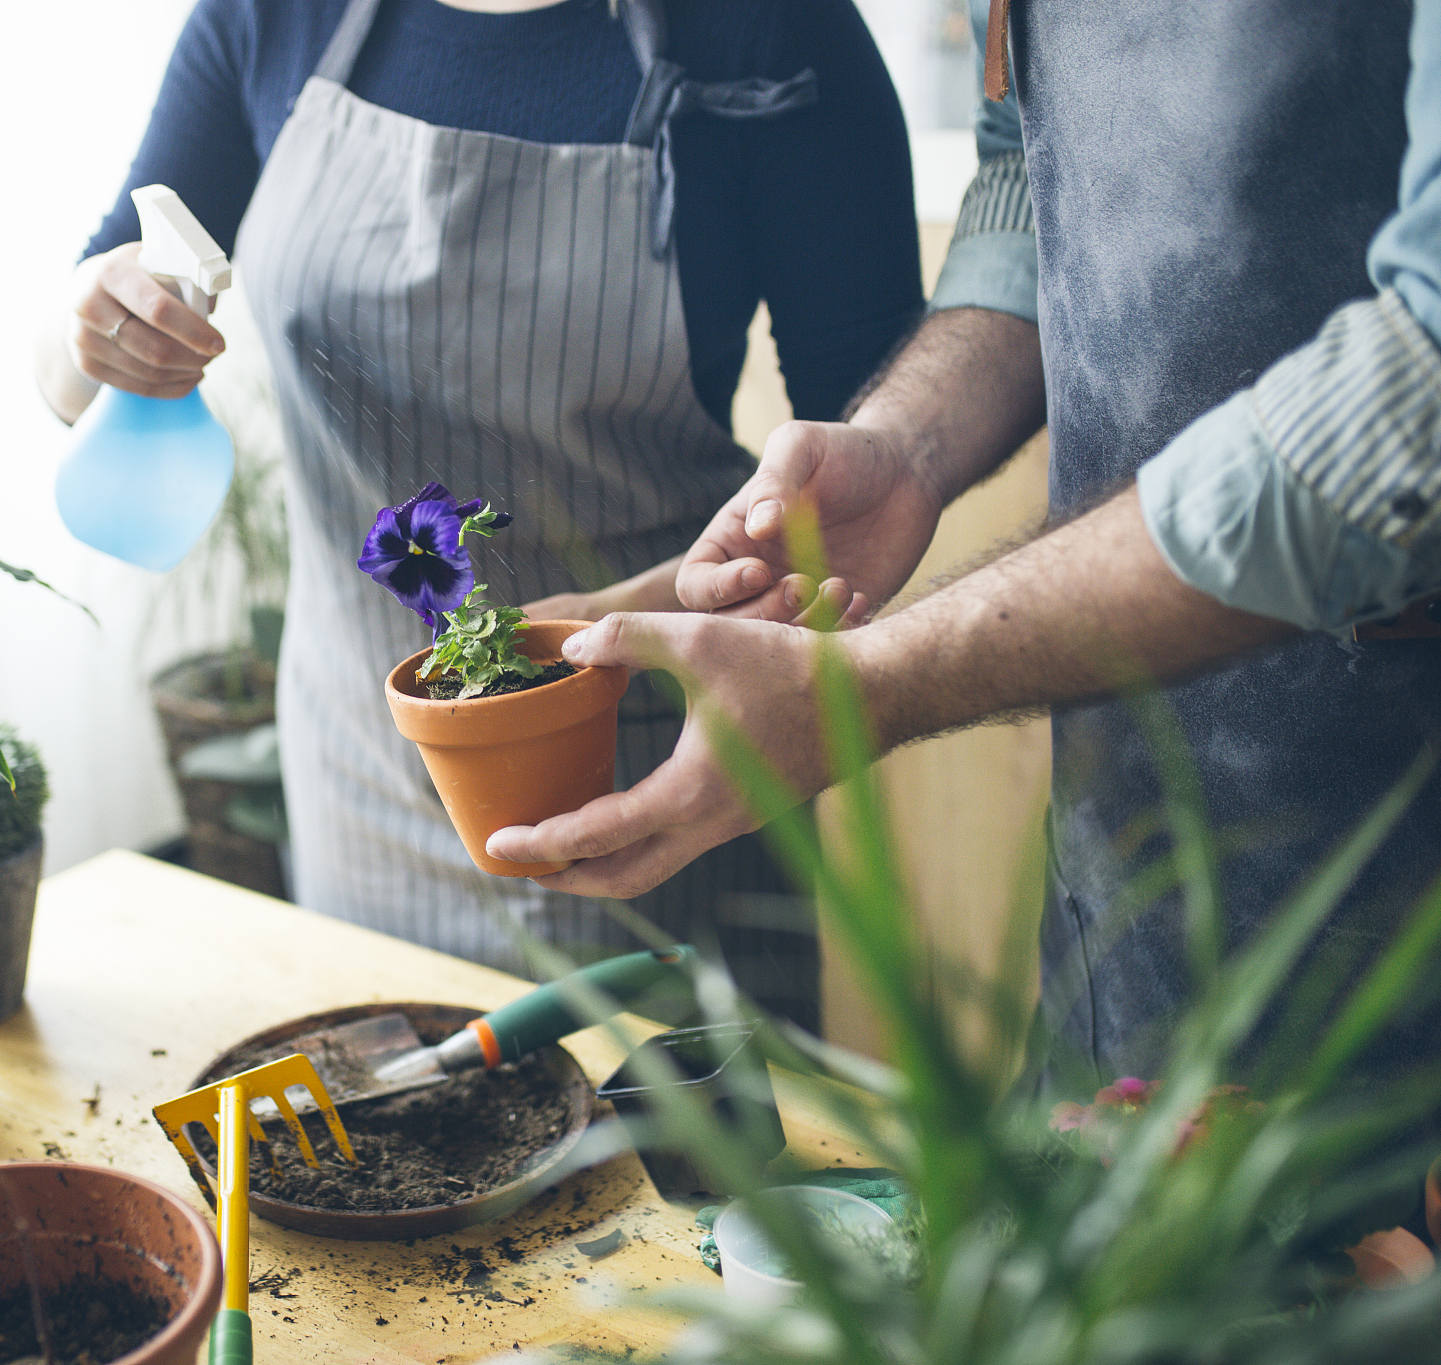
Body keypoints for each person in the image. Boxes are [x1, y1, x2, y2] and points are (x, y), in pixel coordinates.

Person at [489, 0, 1441, 1092]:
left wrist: (874, 683)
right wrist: (906, 441)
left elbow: (1407, 395)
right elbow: (1027, 182)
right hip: (1119, 832)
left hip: (1385, 844)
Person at [36, 0, 920, 1029]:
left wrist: (619, 618)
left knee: (672, 1171)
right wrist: (91, 321)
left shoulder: (765, 28)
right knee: (394, 1132)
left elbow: (861, 476)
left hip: (651, 771)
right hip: (357, 769)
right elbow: (71, 370)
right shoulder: (272, 15)